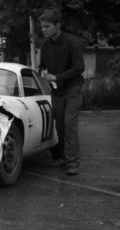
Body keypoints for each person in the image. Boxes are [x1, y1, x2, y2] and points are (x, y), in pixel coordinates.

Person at [38, 8, 85, 175]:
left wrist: (56, 77)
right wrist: (43, 72)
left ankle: (72, 163)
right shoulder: (45, 45)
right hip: (56, 91)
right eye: (42, 27)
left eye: (47, 26)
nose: (43, 30)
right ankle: (62, 157)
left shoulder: (72, 42)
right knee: (59, 125)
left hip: (73, 88)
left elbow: (79, 67)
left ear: (57, 25)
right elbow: (42, 65)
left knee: (69, 124)